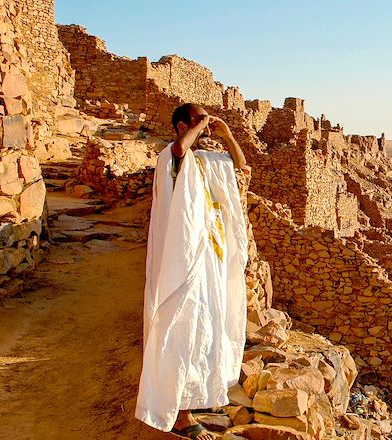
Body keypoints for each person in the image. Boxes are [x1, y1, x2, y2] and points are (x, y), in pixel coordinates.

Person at [136, 104, 251, 439]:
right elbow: (178, 150)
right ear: (183, 124)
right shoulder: (170, 158)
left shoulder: (209, 162)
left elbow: (241, 167)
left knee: (207, 330)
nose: (205, 124)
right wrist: (198, 129)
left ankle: (197, 396)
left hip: (210, 261)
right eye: (197, 120)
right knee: (179, 331)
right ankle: (179, 414)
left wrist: (227, 135)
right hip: (182, 262)